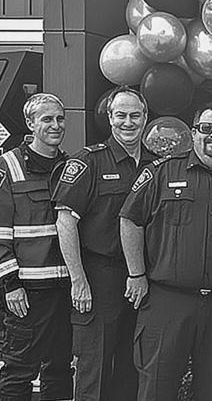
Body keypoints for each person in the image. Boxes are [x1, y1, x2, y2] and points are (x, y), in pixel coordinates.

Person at [119, 101, 212, 400]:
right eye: (206, 128)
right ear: (193, 133)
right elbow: (130, 220)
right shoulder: (161, 172)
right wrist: (136, 274)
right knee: (156, 390)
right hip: (167, 304)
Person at [52, 86, 157, 400]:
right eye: (121, 115)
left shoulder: (156, 165)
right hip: (99, 277)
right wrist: (78, 280)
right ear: (110, 118)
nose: (128, 122)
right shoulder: (89, 160)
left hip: (143, 279)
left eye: (135, 115)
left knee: (131, 367)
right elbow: (65, 222)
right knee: (93, 369)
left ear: (146, 117)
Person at [0, 93, 72, 401]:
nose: (55, 125)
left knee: (60, 369)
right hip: (27, 293)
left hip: (65, 289)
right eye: (47, 119)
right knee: (19, 371)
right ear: (30, 123)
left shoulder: (70, 166)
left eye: (60, 118)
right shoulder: (8, 166)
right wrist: (10, 284)